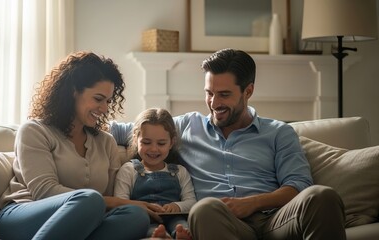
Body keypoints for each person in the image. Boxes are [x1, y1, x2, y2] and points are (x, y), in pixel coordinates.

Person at [110, 48, 347, 239]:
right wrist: (79, 116)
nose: (214, 103)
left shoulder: (278, 132)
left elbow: (298, 184)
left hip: (274, 220)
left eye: (224, 94)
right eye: (209, 93)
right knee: (204, 209)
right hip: (218, 221)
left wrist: (252, 203)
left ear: (248, 91)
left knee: (321, 195)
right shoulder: (186, 126)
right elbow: (125, 130)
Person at [0, 51, 163, 240]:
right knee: (91, 200)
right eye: (98, 99)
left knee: (135, 216)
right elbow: (44, 191)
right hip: (21, 215)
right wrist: (109, 202)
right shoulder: (34, 131)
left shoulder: (106, 142)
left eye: (108, 101)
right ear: (73, 91)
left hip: (82, 221)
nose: (104, 108)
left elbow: (109, 198)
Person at [113, 108, 196, 239]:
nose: (153, 149)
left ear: (171, 143)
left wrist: (177, 206)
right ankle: (162, 236)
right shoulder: (129, 170)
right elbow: (121, 202)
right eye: (146, 142)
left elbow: (191, 201)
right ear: (135, 139)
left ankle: (179, 235)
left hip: (174, 218)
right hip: (144, 220)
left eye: (161, 143)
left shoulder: (179, 171)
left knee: (182, 225)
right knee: (150, 229)